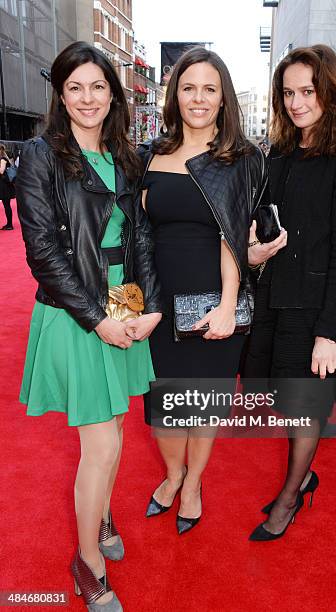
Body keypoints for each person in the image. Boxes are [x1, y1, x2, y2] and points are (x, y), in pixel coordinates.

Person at [16, 41, 162, 610]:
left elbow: (140, 234)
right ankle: (87, 562)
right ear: (60, 94)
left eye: (97, 86)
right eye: (74, 87)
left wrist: (147, 305)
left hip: (122, 297)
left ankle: (100, 518)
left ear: (113, 94)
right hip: (74, 308)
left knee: (117, 427)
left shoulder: (126, 154)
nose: (87, 97)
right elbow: (43, 252)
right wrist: (98, 319)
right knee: (99, 443)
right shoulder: (40, 155)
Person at [137, 46, 272, 535]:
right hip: (158, 300)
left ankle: (194, 483)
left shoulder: (239, 158)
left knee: (206, 402)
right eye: (188, 87)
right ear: (175, 94)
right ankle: (172, 476)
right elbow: (134, 236)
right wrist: (131, 305)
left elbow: (234, 234)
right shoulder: (148, 154)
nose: (198, 98)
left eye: (209, 89)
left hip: (216, 298)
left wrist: (228, 305)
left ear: (223, 98)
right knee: (166, 407)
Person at [244, 45, 336, 541]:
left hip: (316, 304)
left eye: (307, 91)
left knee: (303, 405)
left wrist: (329, 332)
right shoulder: (280, 151)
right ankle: (305, 474)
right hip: (274, 293)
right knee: (270, 394)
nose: (296, 103)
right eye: (288, 93)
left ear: (329, 91)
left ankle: (291, 496)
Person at [0, 143, 15, 229]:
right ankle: (9, 224)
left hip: (5, 186)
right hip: (5, 185)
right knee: (6, 204)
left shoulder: (3, 159)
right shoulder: (4, 158)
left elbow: (1, 171)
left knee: (6, 205)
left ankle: (10, 225)